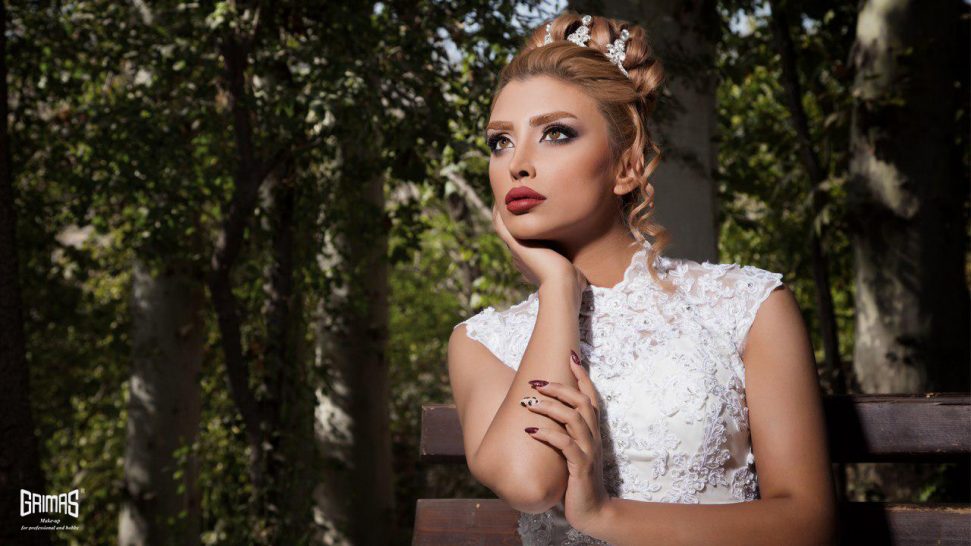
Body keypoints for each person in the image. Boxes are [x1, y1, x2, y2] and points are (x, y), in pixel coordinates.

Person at [446, 11, 839, 546]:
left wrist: (606, 517)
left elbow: (808, 525)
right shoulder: (481, 342)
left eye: (556, 133)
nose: (518, 164)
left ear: (627, 165)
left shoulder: (748, 306)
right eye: (500, 142)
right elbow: (530, 484)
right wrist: (559, 289)